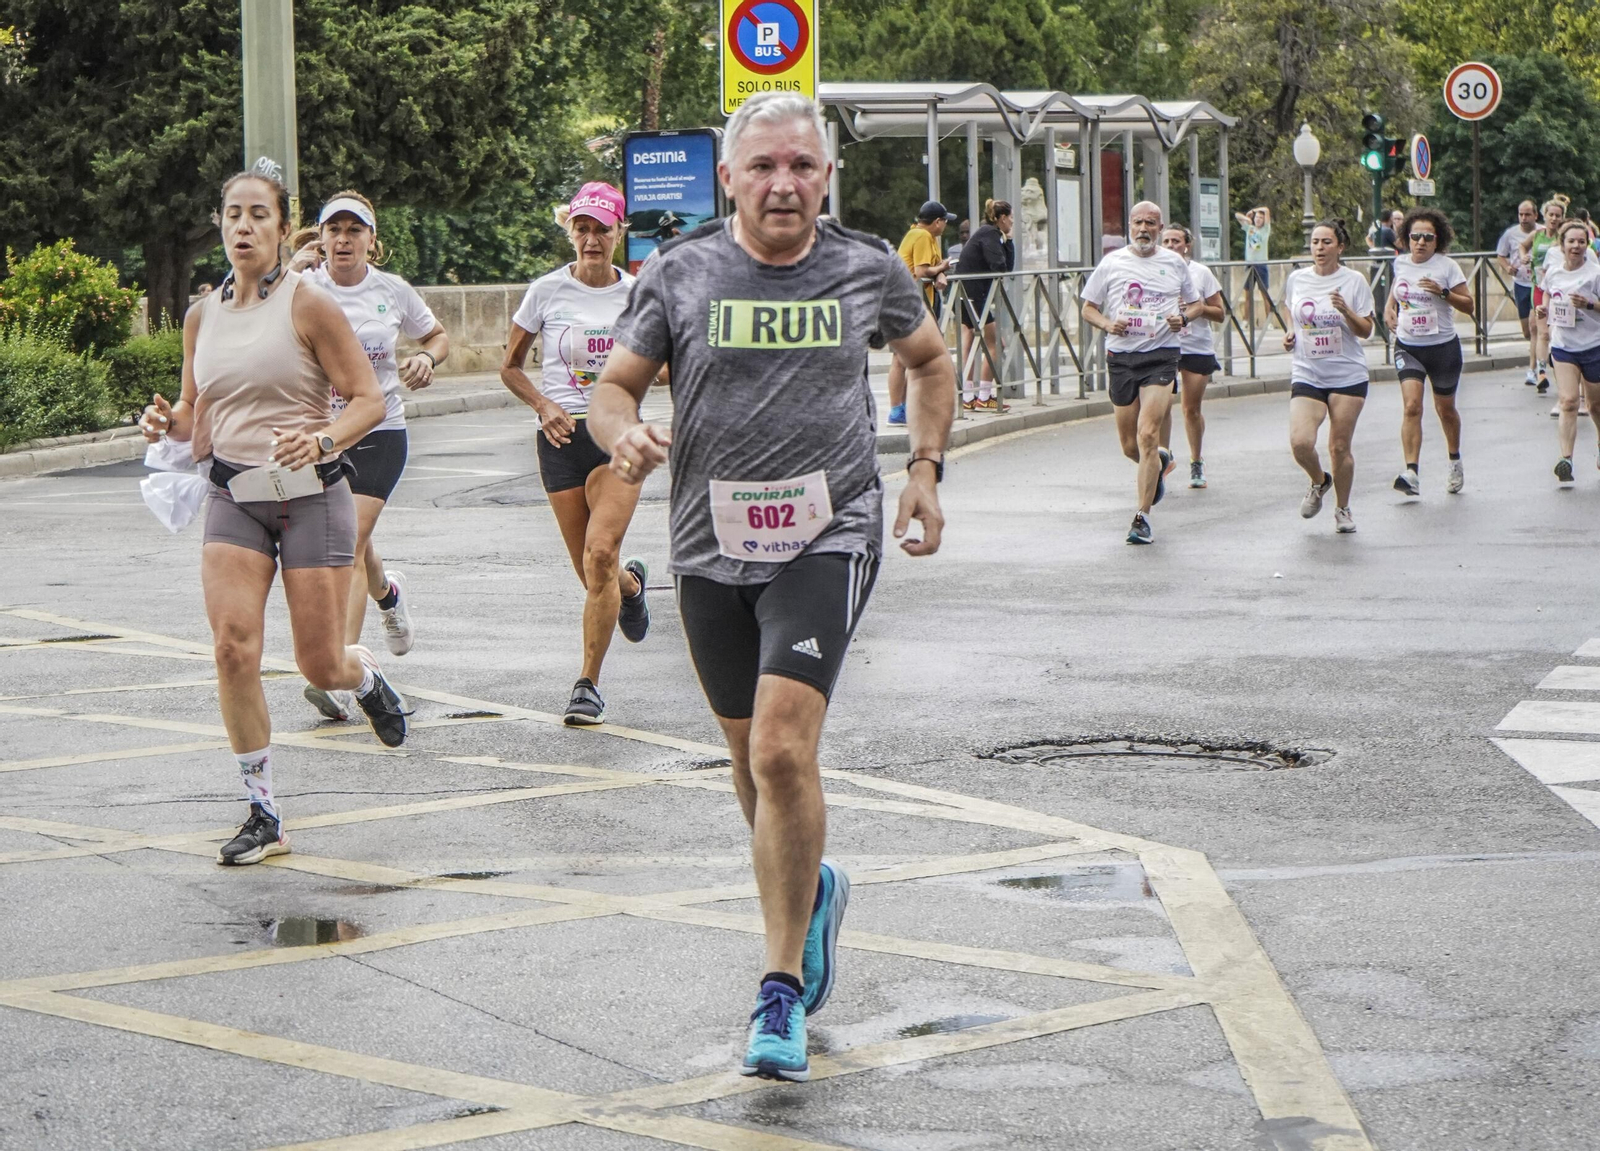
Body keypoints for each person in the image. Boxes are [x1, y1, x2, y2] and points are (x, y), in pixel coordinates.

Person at [587, 92, 954, 1082]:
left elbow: (927, 360)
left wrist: (922, 469)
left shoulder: (867, 267)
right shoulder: (680, 271)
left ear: (825, 177)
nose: (782, 183)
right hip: (709, 546)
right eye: (763, 167)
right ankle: (813, 885)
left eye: (800, 166)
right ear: (728, 178)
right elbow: (611, 384)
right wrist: (619, 428)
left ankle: (778, 989)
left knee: (786, 751)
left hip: (825, 533)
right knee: (751, 768)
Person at [137, 170, 410, 866]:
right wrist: (167, 421)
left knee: (319, 663)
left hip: (311, 492)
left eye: (259, 215)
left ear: (284, 229)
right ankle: (263, 811)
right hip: (234, 494)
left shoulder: (309, 304)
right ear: (221, 223)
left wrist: (321, 440)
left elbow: (367, 400)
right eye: (233, 214)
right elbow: (196, 412)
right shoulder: (203, 316)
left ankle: (366, 675)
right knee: (232, 647)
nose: (244, 227)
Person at [285, 191, 449, 724]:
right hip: (323, 431)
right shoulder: (303, 290)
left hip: (380, 427)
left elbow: (437, 335)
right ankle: (388, 592)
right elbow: (255, 317)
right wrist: (288, 272)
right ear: (321, 239)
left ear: (371, 242)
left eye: (355, 231)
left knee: (348, 539)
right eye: (334, 230)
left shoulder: (392, 292)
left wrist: (425, 355)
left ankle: (341, 669)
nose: (344, 239)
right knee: (358, 538)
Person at [499, 182, 652, 724]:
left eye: (601, 229)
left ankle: (587, 684)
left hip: (618, 438)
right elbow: (510, 365)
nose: (591, 239)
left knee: (601, 554)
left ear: (618, 233)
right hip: (562, 439)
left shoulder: (638, 294)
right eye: (582, 229)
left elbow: (669, 363)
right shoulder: (545, 291)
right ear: (572, 232)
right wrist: (542, 405)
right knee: (594, 576)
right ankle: (632, 589)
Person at [1081, 201, 1203, 544]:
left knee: (1148, 435)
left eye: (1151, 223)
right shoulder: (1113, 263)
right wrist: (1108, 323)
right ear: (1129, 227)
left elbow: (1194, 304)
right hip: (1121, 357)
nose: (1144, 229)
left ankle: (1142, 517)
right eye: (1138, 223)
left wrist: (1185, 318)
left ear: (1161, 229)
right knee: (1129, 446)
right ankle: (1157, 464)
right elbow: (1088, 308)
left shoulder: (1174, 263)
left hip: (1161, 355)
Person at [1283, 219, 1375, 534]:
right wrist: (1289, 332)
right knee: (1300, 442)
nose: (1319, 248)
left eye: (1326, 242)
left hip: (1347, 373)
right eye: (1315, 242)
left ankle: (1343, 508)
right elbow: (1289, 309)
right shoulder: (1297, 279)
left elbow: (1367, 330)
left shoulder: (1354, 281)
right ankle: (1319, 481)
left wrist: (1346, 311)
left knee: (1338, 446)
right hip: (1308, 371)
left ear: (1340, 246)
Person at [1386, 208, 1472, 497]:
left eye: (1427, 237)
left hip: (1443, 348)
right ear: (1406, 238)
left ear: (1438, 241)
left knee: (1445, 410)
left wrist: (1443, 292)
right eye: (1415, 237)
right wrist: (1389, 309)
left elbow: (1469, 305)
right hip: (1409, 346)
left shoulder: (1447, 267)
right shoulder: (1400, 264)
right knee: (1412, 406)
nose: (1420, 243)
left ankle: (1454, 459)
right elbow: (1396, 292)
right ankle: (1411, 472)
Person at [1159, 224, 1225, 488]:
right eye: (1167, 241)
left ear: (1187, 245)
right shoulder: (1155, 271)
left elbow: (1219, 313)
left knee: (1190, 409)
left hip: (1196, 346)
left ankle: (1196, 461)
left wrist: (1195, 309)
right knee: (1161, 405)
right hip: (1164, 345)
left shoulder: (1201, 273)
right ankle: (1163, 459)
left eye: (1177, 241)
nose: (1172, 245)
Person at [1537, 221, 1600, 483]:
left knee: (1596, 405)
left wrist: (1589, 304)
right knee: (1569, 401)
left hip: (1593, 344)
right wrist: (1544, 309)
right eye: (1571, 241)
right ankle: (1566, 460)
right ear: (1561, 245)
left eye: (1581, 242)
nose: (1576, 246)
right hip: (1563, 345)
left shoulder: (1595, 272)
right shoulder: (1553, 271)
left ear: (1587, 245)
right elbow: (1547, 294)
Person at [885, 200, 955, 425]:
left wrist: (940, 274)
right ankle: (900, 409)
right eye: (944, 221)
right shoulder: (923, 237)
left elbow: (930, 269)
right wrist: (941, 269)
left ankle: (906, 407)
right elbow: (921, 270)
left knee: (910, 357)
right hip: (909, 302)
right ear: (937, 222)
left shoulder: (918, 234)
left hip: (911, 300)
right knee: (903, 357)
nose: (945, 226)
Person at [954, 199, 1015, 412]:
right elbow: (1001, 267)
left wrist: (1006, 242)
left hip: (965, 293)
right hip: (974, 295)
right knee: (997, 343)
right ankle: (984, 395)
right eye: (1011, 218)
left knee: (969, 341)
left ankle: (968, 396)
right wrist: (1008, 241)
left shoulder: (984, 232)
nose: (1012, 223)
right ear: (1002, 218)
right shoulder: (990, 234)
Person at [1522, 199, 1569, 393]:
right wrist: (1524, 257)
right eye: (1551, 214)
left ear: (1562, 218)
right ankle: (1541, 373)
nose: (1554, 218)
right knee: (1542, 332)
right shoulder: (1537, 234)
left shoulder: (1565, 237)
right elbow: (1522, 246)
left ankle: (1561, 368)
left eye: (1558, 215)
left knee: (1557, 331)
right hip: (1540, 288)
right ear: (1545, 215)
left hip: (1560, 291)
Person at [1498, 201, 1540, 386]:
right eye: (1521, 214)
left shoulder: (1543, 232)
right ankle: (1539, 352)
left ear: (1535, 215)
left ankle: (1536, 366)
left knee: (1535, 327)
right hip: (1521, 284)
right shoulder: (1511, 234)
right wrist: (1508, 267)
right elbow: (1501, 255)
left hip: (1538, 285)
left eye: (1527, 214)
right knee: (1527, 331)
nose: (1523, 218)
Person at [1234, 206, 1273, 320]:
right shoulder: (1249, 228)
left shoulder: (1265, 230)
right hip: (1250, 264)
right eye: (1257, 217)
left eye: (1261, 218)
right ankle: (1246, 320)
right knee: (1248, 295)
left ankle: (1268, 320)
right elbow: (1237, 215)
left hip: (1261, 264)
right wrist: (1248, 217)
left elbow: (1266, 210)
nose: (1258, 219)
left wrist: (1255, 210)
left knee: (1265, 295)